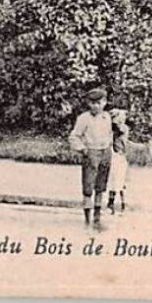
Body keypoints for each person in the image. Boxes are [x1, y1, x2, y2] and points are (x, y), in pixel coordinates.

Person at [68, 87, 114, 228]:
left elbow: (110, 133)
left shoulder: (107, 117)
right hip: (91, 153)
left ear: (104, 102)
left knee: (100, 186)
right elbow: (74, 136)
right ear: (88, 103)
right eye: (92, 103)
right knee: (88, 186)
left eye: (98, 102)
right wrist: (83, 149)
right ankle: (87, 219)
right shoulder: (84, 118)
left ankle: (97, 217)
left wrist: (109, 147)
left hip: (105, 152)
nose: (95, 106)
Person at [107, 107, 130, 213]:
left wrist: (111, 118)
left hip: (119, 156)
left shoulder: (123, 128)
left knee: (120, 180)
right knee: (113, 180)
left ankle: (123, 204)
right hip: (113, 155)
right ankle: (111, 203)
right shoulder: (113, 129)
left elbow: (118, 128)